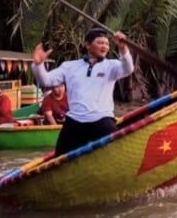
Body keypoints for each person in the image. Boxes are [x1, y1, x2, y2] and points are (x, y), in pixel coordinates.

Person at [31, 28, 135, 156]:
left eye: (107, 44)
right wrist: (38, 65)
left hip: (102, 119)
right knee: (60, 158)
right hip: (75, 120)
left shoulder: (111, 66)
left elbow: (128, 69)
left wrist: (123, 48)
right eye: (100, 43)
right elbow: (46, 81)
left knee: (116, 153)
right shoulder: (69, 66)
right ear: (87, 44)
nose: (104, 46)